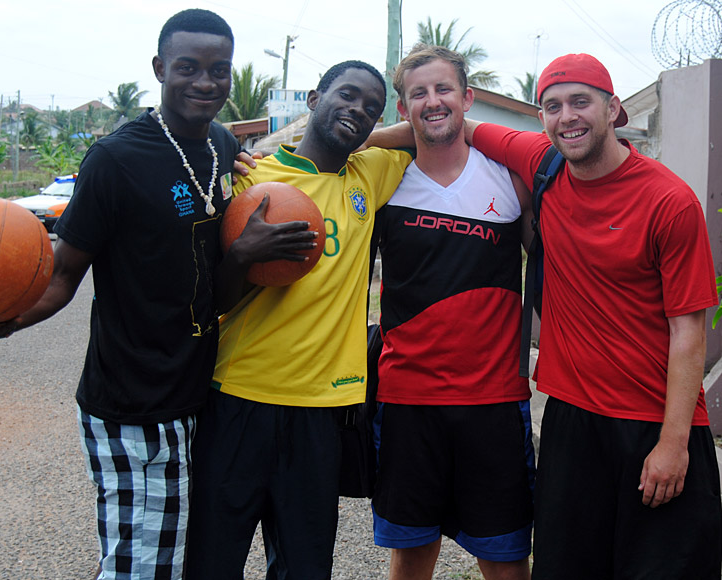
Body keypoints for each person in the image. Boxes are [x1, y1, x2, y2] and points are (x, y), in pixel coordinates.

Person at [0, 9, 312, 579]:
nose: (205, 82)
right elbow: (64, 274)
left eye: (219, 70)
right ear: (160, 68)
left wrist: (243, 255)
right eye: (187, 68)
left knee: (175, 555)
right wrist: (8, 318)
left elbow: (216, 283)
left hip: (195, 391)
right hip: (131, 399)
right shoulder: (115, 161)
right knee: (140, 565)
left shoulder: (217, 144)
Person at [464, 53, 721, 579]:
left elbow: (688, 330)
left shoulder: (669, 202)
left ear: (613, 110)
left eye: (581, 102)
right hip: (572, 420)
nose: (567, 117)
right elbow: (449, 119)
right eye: (552, 106)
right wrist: (361, 146)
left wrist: (673, 444)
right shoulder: (543, 164)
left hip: (655, 422)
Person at [184, 61, 413, 580]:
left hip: (321, 410)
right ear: (313, 98)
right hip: (238, 396)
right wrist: (242, 257)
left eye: (370, 108)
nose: (357, 111)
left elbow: (427, 129)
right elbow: (209, 301)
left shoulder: (370, 175)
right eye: (346, 96)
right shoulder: (250, 177)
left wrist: (367, 129)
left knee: (304, 567)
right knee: (212, 560)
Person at [369, 44, 534, 580]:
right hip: (407, 400)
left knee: (506, 561)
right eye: (419, 93)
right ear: (403, 108)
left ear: (467, 99)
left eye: (444, 90)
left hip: (494, 401)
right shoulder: (384, 180)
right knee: (411, 558)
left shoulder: (509, 178)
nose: (433, 102)